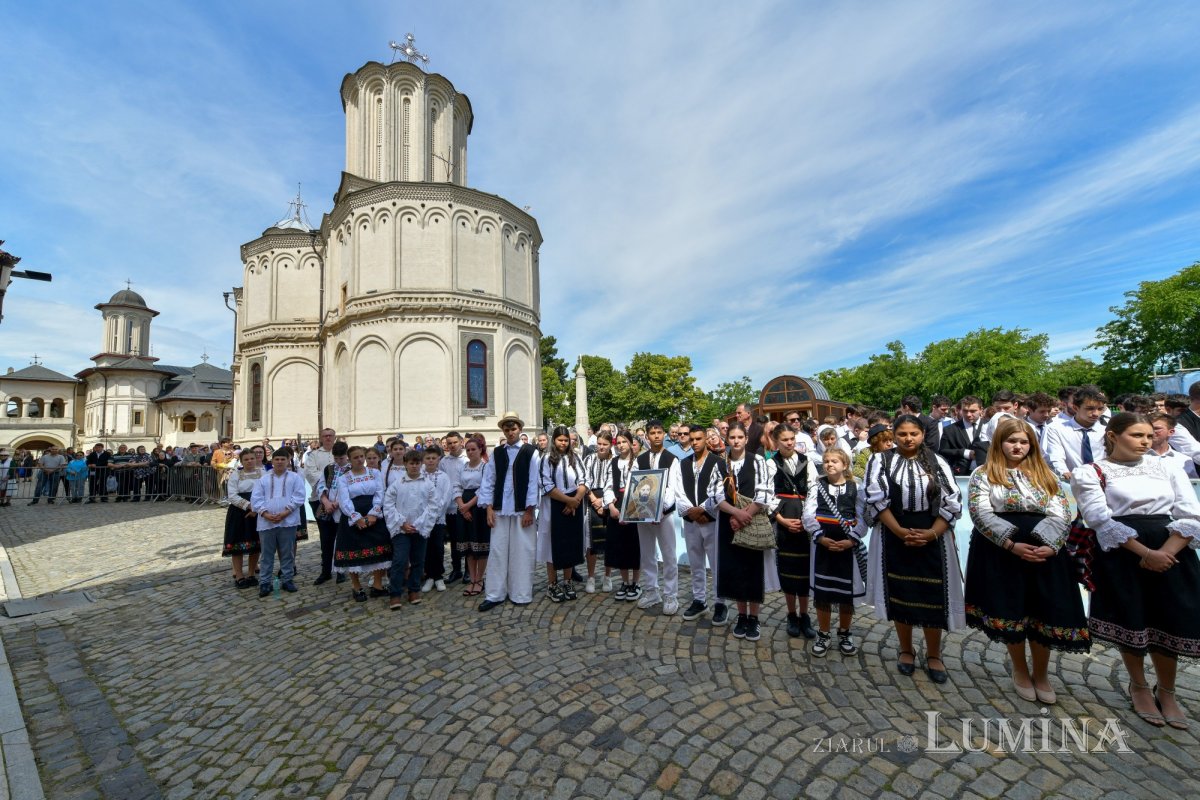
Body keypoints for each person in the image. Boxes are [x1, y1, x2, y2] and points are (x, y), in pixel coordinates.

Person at [1070, 412, 1200, 729]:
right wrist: (1146, 553)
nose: (1145, 441)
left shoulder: (1169, 466)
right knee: (1132, 617)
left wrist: (1165, 553)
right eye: (1137, 435)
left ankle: (1167, 691)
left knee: (1171, 618)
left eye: (1148, 436)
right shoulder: (1091, 471)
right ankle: (1139, 686)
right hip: (1123, 552)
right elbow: (1099, 518)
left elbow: (1190, 512)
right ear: (1113, 436)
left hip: (1172, 550)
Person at [966, 418, 1088, 705]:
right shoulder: (984, 474)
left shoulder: (1046, 475)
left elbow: (1061, 512)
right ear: (999, 443)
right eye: (1011, 441)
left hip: (1045, 553)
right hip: (1002, 551)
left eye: (1024, 441)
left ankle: (1042, 674)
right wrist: (1011, 544)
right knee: (1013, 610)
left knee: (1043, 611)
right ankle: (1020, 669)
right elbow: (980, 512)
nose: (1018, 446)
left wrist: (1050, 545)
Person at [864, 415, 963, 684]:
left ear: (922, 434)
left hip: (932, 532)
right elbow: (875, 498)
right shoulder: (881, 460)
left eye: (914, 434)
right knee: (901, 593)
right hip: (894, 531)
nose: (908, 439)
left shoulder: (936, 460)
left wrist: (932, 533)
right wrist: (899, 531)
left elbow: (952, 500)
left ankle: (934, 654)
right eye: (903, 434)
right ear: (894, 435)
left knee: (932, 594)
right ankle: (906, 649)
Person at [803, 448, 867, 656]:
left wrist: (851, 540)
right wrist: (820, 537)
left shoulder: (855, 488)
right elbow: (808, 515)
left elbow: (862, 517)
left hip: (848, 548)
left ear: (845, 465)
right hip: (823, 547)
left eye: (835, 461)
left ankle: (844, 632)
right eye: (827, 461)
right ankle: (823, 633)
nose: (830, 464)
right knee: (823, 593)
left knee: (845, 594)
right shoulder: (817, 486)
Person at [478, 412, 541, 611]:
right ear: (503, 431)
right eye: (507, 429)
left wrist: (530, 510)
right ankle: (495, 594)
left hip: (522, 509)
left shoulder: (531, 452)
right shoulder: (497, 453)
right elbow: (488, 481)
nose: (510, 432)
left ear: (519, 429)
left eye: (513, 429)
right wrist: (488, 508)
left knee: (522, 550)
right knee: (497, 551)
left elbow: (534, 482)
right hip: (500, 508)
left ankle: (520, 593)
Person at [715, 423, 772, 641]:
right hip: (729, 521)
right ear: (727, 439)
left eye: (740, 437)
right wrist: (735, 514)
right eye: (732, 437)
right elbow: (715, 495)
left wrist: (745, 515)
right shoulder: (721, 463)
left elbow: (764, 492)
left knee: (752, 569)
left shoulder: (757, 461)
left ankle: (754, 618)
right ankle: (741, 615)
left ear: (746, 439)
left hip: (751, 519)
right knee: (735, 568)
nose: (736, 441)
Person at [768, 425, 820, 638]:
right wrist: (781, 519)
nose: (789, 443)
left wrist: (807, 518)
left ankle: (805, 615)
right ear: (776, 441)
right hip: (783, 519)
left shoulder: (806, 461)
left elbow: (814, 489)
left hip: (804, 517)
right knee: (787, 568)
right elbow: (767, 493)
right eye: (785, 439)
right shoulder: (771, 463)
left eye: (792, 438)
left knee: (804, 568)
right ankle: (791, 613)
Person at [676, 425, 726, 624]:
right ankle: (699, 599)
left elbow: (720, 490)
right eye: (692, 439)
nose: (695, 442)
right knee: (696, 562)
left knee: (716, 562)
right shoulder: (683, 463)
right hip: (691, 520)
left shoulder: (718, 462)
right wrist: (692, 511)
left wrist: (704, 509)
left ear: (706, 439)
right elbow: (679, 491)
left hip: (711, 519)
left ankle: (720, 602)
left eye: (699, 439)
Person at [634, 420, 683, 615]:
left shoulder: (672, 459)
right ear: (647, 436)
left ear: (664, 434)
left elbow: (672, 488)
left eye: (659, 432)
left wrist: (659, 510)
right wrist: (638, 508)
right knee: (647, 554)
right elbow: (635, 485)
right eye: (652, 433)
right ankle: (651, 590)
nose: (656, 436)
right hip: (643, 514)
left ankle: (671, 594)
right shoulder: (640, 459)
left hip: (664, 514)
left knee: (669, 554)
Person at [331, 446, 389, 602]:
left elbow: (380, 493)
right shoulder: (344, 478)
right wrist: (356, 517)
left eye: (361, 456)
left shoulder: (374, 473)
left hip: (373, 514)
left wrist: (373, 513)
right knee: (353, 549)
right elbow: (344, 500)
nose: (360, 459)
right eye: (355, 457)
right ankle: (356, 586)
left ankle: (377, 585)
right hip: (352, 516)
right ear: (349, 459)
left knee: (379, 548)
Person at [384, 449, 440, 610]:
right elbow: (388, 505)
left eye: (417, 463)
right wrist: (402, 523)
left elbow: (433, 506)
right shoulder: (397, 484)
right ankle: (395, 593)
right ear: (405, 464)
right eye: (411, 463)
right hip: (401, 529)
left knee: (418, 561)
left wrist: (419, 524)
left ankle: (414, 590)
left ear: (421, 464)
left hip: (419, 529)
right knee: (400, 560)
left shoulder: (428, 484)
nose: (414, 466)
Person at [538, 426, 588, 602]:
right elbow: (545, 484)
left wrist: (576, 499)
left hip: (574, 503)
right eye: (560, 440)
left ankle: (568, 581)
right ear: (554, 440)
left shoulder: (575, 457)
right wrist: (568, 501)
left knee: (571, 543)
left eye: (566, 440)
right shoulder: (546, 459)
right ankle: (552, 584)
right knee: (552, 544)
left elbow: (584, 480)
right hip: (554, 504)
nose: (563, 443)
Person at [250, 448, 306, 597]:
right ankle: (265, 582)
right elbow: (256, 498)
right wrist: (266, 514)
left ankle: (287, 579)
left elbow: (299, 496)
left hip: (288, 520)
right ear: (272, 461)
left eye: (283, 459)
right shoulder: (263, 479)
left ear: (288, 461)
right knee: (266, 554)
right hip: (266, 522)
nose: (280, 462)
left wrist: (286, 512)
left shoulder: (295, 478)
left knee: (287, 552)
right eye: (277, 459)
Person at [603, 430, 643, 601]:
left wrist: (631, 510)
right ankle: (625, 582)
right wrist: (611, 506)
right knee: (619, 546)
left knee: (634, 546)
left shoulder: (639, 462)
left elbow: (643, 485)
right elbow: (607, 486)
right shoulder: (612, 462)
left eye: (624, 442)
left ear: (630, 443)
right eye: (618, 443)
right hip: (617, 504)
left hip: (635, 505)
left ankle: (636, 583)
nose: (620, 445)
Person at [1043, 386, 1109, 481]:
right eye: (1090, 408)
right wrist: (1064, 472)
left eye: (1100, 409)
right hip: (1073, 481)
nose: (1096, 413)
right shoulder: (1056, 429)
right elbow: (1056, 456)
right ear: (1076, 408)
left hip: (1103, 481)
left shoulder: (1106, 431)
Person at [454, 437, 489, 596]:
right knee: (468, 545)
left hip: (478, 507)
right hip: (463, 506)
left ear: (480, 450)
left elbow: (484, 488)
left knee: (480, 544)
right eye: (468, 450)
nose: (470, 452)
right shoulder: (463, 467)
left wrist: (468, 505)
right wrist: (462, 506)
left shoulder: (485, 467)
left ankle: (480, 579)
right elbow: (456, 486)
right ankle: (472, 578)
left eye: (473, 449)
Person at [223, 449, 263, 588]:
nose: (249, 461)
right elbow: (232, 495)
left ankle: (251, 574)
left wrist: (256, 508)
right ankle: (239, 575)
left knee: (256, 543)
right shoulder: (236, 475)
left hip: (258, 511)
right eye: (246, 459)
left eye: (252, 458)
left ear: (255, 459)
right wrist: (249, 506)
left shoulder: (263, 473)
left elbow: (266, 492)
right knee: (237, 544)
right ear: (241, 461)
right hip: (239, 512)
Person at [582, 431, 615, 594]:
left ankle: (607, 576)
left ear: (610, 445)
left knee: (609, 540)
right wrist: (594, 500)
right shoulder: (589, 459)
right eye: (599, 444)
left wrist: (604, 502)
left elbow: (614, 482)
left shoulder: (614, 461)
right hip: (591, 498)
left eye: (605, 444)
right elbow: (584, 479)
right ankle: (591, 576)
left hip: (609, 500)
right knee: (591, 542)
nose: (601, 447)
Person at [306, 430, 339, 584]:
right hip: (319, 500)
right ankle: (326, 570)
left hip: (339, 501)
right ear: (321, 438)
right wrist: (328, 479)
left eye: (330, 435)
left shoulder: (340, 452)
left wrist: (326, 476)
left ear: (334, 437)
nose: (328, 438)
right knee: (325, 536)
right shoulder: (314, 455)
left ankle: (340, 569)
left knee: (340, 536)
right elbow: (310, 473)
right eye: (325, 435)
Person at [420, 444, 453, 593]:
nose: (431, 461)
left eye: (433, 458)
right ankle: (429, 576)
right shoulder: (419, 476)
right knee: (426, 547)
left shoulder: (443, 477)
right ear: (423, 460)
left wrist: (435, 513)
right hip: (422, 518)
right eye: (428, 458)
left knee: (438, 547)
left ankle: (438, 576)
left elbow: (446, 497)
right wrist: (425, 514)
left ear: (438, 459)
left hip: (438, 519)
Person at [439, 432, 468, 585]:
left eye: (455, 442)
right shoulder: (443, 461)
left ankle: (469, 570)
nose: (452, 445)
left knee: (467, 538)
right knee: (454, 540)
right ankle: (456, 569)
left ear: (461, 442)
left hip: (466, 504)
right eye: (449, 443)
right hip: (449, 506)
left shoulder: (467, 459)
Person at [938, 396, 987, 476]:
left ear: (981, 410)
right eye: (965, 411)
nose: (968, 414)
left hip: (986, 473)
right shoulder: (950, 429)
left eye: (972, 411)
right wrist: (965, 453)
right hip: (960, 474)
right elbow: (943, 451)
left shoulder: (989, 426)